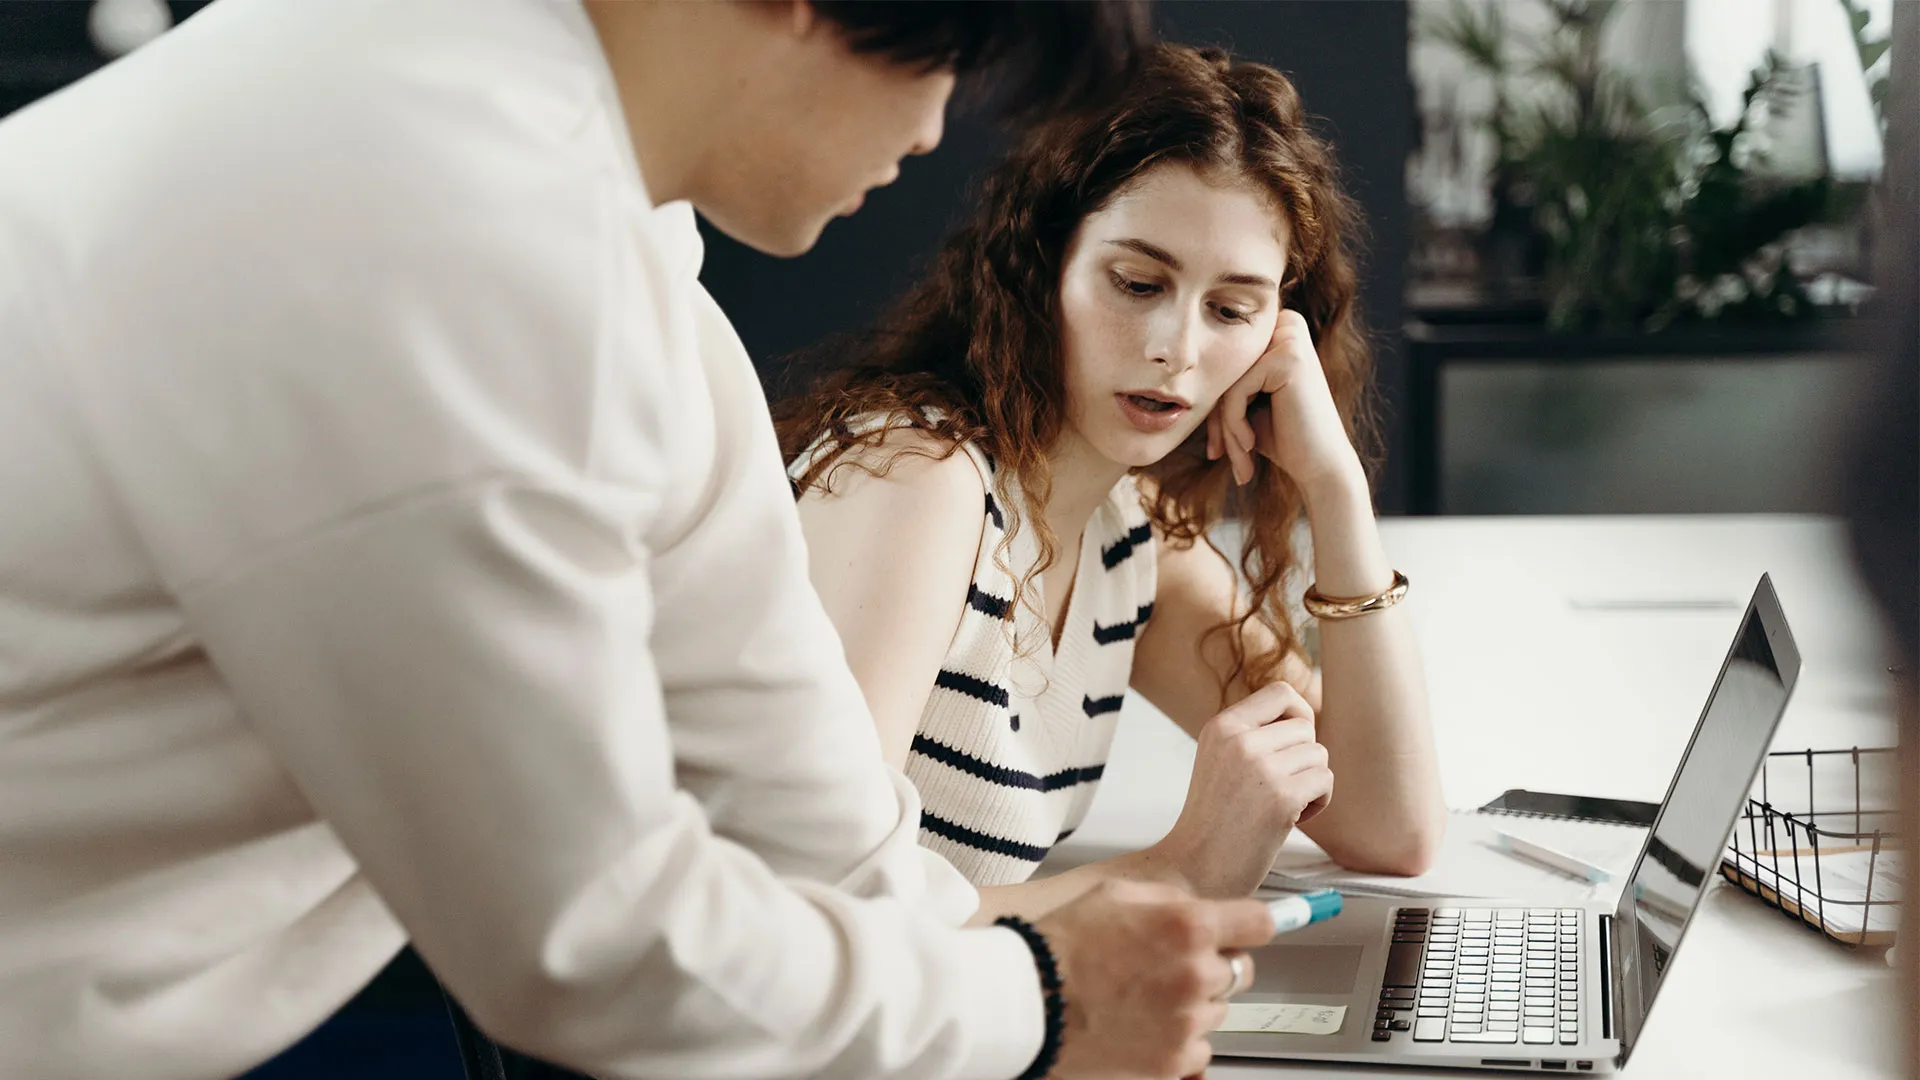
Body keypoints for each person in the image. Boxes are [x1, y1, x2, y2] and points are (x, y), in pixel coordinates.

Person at [0, 3, 1286, 1079]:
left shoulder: (609, 240)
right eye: (939, 59)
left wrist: (1048, 970)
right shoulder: (440, 221)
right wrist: (1036, 1004)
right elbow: (588, 939)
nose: (930, 129)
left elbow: (814, 818)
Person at [779, 43, 1446, 920]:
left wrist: (1337, 489)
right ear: (1041, 269)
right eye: (1136, 283)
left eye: (1232, 309)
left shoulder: (1127, 538)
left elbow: (1388, 826)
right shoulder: (917, 480)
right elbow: (823, 907)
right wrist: (1178, 870)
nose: (1177, 347)